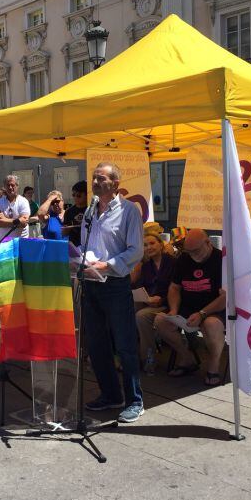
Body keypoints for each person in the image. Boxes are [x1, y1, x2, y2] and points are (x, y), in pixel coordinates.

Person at [81, 162, 144, 423]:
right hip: (90, 283)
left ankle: (134, 401)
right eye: (94, 178)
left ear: (116, 184)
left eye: (101, 178)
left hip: (115, 284)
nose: (95, 182)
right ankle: (110, 394)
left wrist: (107, 265)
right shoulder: (90, 210)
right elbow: (86, 243)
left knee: (125, 344)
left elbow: (136, 251)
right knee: (96, 343)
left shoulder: (129, 211)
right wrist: (81, 262)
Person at [154, 229, 226, 386]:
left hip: (213, 307)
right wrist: (173, 309)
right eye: (189, 251)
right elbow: (174, 288)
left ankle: (213, 367)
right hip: (188, 305)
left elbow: (226, 297)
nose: (193, 255)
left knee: (212, 325)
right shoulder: (184, 259)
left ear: (208, 243)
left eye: (196, 251)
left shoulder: (221, 260)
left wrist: (202, 313)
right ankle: (187, 359)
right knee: (161, 321)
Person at [132, 233, 176, 374]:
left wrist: (160, 299)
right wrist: (146, 297)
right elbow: (143, 286)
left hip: (168, 303)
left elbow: (175, 288)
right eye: (145, 245)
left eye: (152, 243)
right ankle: (129, 354)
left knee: (141, 316)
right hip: (151, 302)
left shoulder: (172, 262)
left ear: (160, 244)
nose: (149, 247)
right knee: (127, 309)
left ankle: (148, 357)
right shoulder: (146, 266)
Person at [0, 175, 30, 242]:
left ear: (17, 186)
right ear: (4, 187)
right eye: (8, 185)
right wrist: (18, 221)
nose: (10, 187)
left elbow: (23, 223)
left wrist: (5, 219)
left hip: (20, 242)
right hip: (4, 243)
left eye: (12, 185)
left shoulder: (23, 201)